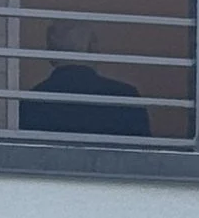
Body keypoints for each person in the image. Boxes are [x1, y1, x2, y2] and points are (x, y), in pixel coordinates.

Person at [20, 21, 149, 136]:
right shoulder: (124, 97)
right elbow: (144, 157)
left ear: (50, 52)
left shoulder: (31, 103)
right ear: (93, 48)